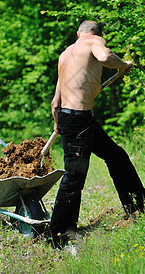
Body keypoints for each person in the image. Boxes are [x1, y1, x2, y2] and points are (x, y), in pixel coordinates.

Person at [48, 20, 145, 249]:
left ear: (77, 33)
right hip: (78, 120)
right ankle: (58, 236)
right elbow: (105, 57)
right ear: (94, 34)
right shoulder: (94, 41)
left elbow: (55, 103)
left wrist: (58, 125)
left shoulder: (65, 55)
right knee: (74, 177)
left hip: (73, 119)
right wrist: (123, 64)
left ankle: (137, 209)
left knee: (117, 156)